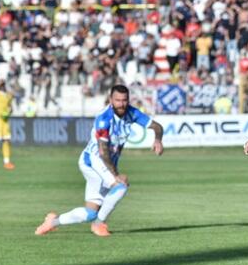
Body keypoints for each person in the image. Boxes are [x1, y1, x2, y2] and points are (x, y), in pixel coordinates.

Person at [35, 84, 164, 237]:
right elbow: (103, 151)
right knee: (121, 186)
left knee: (90, 213)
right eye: (117, 100)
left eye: (124, 100)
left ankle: (52, 222)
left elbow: (157, 126)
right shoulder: (104, 119)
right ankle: (98, 224)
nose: (121, 104)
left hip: (103, 162)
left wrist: (158, 139)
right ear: (111, 100)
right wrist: (115, 174)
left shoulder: (132, 113)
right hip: (93, 160)